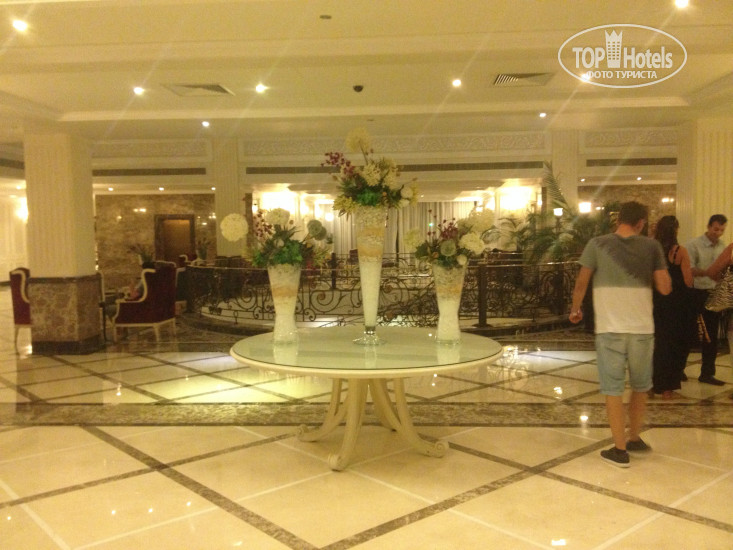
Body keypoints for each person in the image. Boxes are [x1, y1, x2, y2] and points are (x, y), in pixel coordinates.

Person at [569, 201, 671, 468]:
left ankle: (619, 449)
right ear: (641, 223)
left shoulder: (597, 244)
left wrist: (576, 309)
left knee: (613, 389)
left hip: (609, 328)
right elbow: (665, 287)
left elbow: (582, 282)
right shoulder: (652, 247)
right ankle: (634, 437)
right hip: (642, 328)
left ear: (618, 220)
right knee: (641, 385)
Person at [650, 216, 695, 399]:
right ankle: (667, 388)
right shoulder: (679, 251)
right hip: (677, 305)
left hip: (656, 301)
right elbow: (688, 281)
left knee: (657, 344)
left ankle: (651, 385)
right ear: (675, 230)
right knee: (673, 344)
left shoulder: (652, 250)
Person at [686, 214, 728, 386]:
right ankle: (678, 370)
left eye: (722, 230)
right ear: (709, 226)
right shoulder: (693, 245)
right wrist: (708, 272)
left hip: (715, 293)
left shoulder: (723, 246)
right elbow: (688, 269)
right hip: (696, 293)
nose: (718, 233)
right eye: (716, 229)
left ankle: (707, 373)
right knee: (689, 332)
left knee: (711, 335)